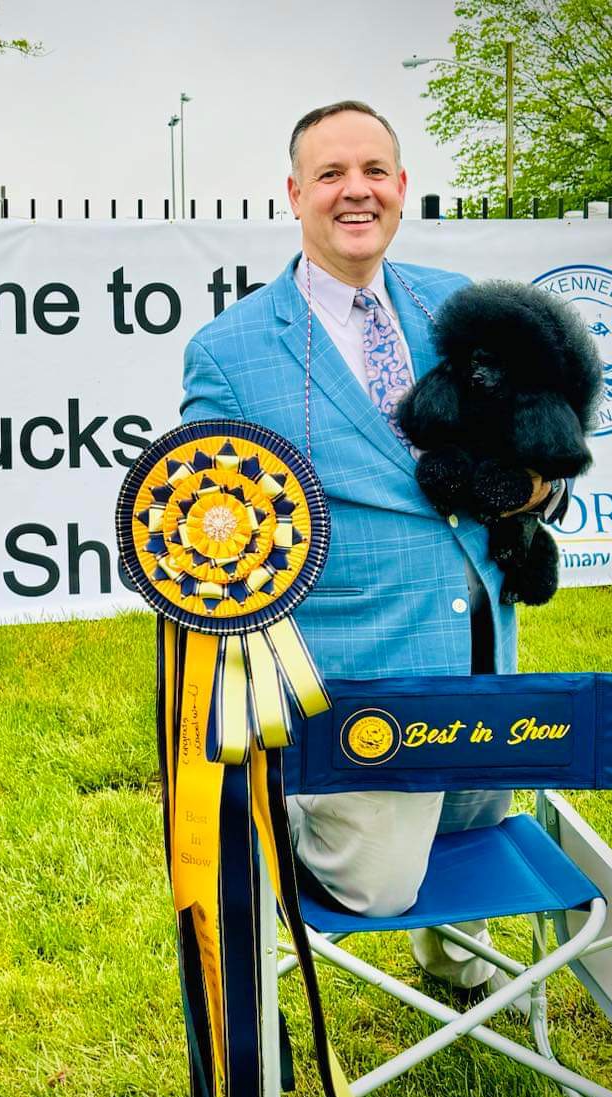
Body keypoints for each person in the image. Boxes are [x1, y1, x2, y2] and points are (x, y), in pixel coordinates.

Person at [180, 100, 564, 993]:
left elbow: (549, 440)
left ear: (401, 186)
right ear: (294, 194)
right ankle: (290, 812)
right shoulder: (230, 351)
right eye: (330, 174)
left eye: (374, 172)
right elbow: (211, 530)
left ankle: (458, 966)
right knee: (381, 888)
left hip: (485, 655)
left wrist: (535, 488)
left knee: (470, 834)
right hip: (354, 681)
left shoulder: (462, 306)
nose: (356, 191)